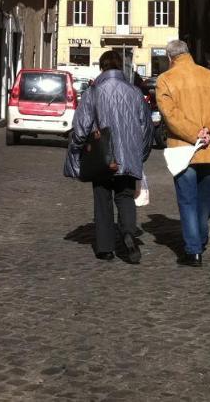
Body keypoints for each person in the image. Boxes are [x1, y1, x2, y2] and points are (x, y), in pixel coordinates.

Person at [64, 50, 153, 263]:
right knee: (125, 197)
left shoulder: (93, 92)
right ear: (121, 66)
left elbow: (81, 127)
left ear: (102, 67)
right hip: (129, 155)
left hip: (103, 156)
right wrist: (140, 154)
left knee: (102, 198)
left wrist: (75, 149)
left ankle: (105, 248)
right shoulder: (135, 93)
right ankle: (129, 232)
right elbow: (146, 127)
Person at [154, 39, 210, 267]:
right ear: (188, 53)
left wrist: (194, 134)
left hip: (183, 150)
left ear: (170, 58)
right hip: (209, 148)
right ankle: (201, 237)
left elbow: (171, 115)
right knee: (204, 199)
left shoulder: (166, 80)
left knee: (187, 200)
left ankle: (193, 249)